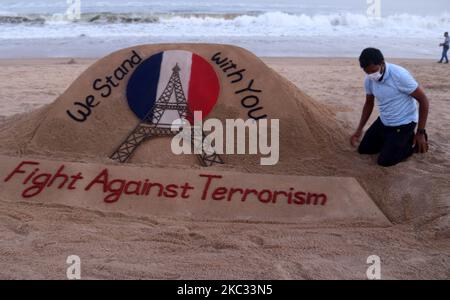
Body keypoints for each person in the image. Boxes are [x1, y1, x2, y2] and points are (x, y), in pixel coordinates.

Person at [350, 48, 429, 167]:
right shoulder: (369, 80)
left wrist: (421, 132)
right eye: (367, 72)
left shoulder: (399, 75)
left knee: (385, 161)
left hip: (404, 123)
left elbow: (423, 100)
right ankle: (392, 142)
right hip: (384, 121)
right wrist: (359, 129)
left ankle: (412, 143)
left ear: (382, 62)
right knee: (364, 150)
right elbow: (368, 104)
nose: (371, 75)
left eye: (373, 70)